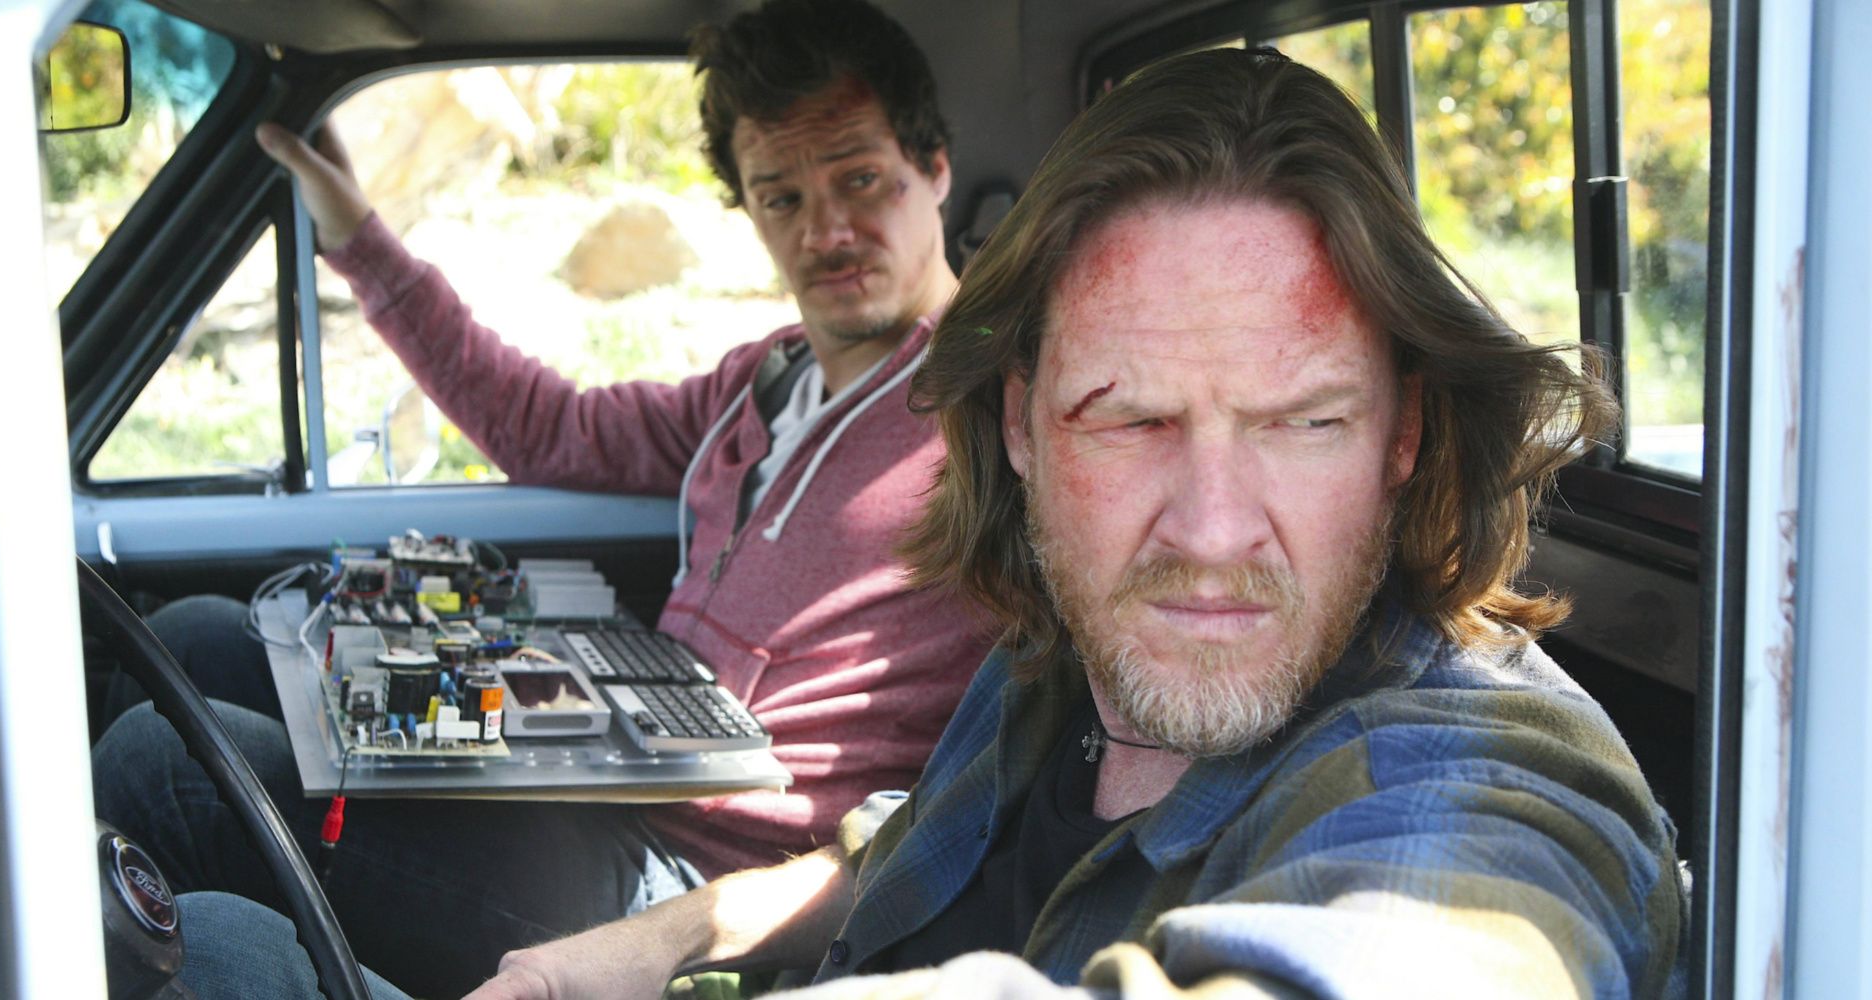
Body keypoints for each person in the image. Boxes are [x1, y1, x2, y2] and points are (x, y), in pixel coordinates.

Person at [437, 44, 1683, 998]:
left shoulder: (1477, 769)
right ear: (1023, 428)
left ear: (1403, 435)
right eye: (1126, 420)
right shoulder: (1055, 654)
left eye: (1302, 423)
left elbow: (1446, 935)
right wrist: (643, 949)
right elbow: (892, 854)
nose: (1205, 530)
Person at [93, 1, 993, 995]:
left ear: (934, 167)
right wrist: (356, 238)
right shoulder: (762, 381)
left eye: (859, 178)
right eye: (779, 195)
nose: (824, 229)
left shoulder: (995, 411)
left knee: (162, 767)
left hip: (705, 880)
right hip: (610, 780)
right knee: (201, 635)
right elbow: (543, 425)